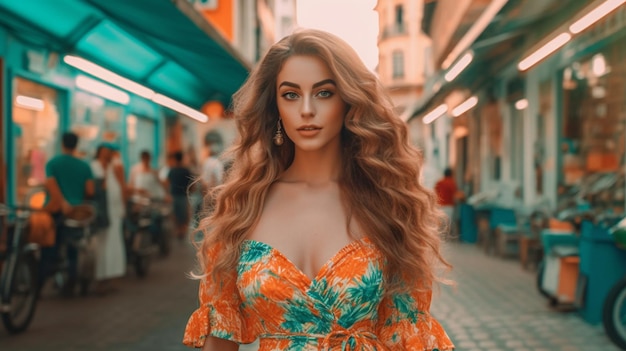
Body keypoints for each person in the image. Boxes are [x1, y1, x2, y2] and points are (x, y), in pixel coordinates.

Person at [183, 29, 454, 350]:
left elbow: (410, 335)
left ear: (348, 101)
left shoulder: (386, 205)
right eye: (291, 94)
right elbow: (219, 336)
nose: (307, 109)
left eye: (324, 93)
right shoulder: (243, 208)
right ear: (275, 106)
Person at [42, 131, 94, 296]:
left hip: (57, 212)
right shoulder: (84, 166)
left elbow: (51, 186)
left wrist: (63, 203)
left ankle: (40, 286)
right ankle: (71, 282)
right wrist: (76, 201)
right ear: (76, 145)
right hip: (77, 214)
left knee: (50, 247)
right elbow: (90, 190)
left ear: (62, 144)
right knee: (73, 248)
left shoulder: (52, 163)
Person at [90, 143, 127, 293]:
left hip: (115, 208)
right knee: (101, 242)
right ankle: (101, 276)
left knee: (114, 242)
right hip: (102, 210)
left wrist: (123, 205)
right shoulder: (94, 166)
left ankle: (113, 275)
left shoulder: (115, 166)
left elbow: (122, 184)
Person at [165, 151, 193, 240]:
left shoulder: (172, 170)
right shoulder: (186, 170)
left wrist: (167, 193)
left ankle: (178, 230)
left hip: (174, 195)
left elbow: (167, 183)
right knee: (183, 214)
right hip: (183, 195)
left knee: (175, 214)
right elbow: (191, 184)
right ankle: (182, 230)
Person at [435, 168, 459, 237]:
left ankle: (440, 236)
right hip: (449, 205)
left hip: (440, 205)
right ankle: (447, 236)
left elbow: (435, 193)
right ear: (451, 174)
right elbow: (455, 194)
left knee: (440, 223)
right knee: (448, 222)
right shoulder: (451, 182)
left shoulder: (439, 182)